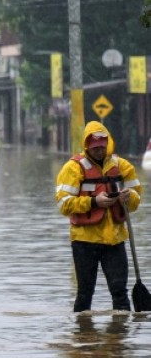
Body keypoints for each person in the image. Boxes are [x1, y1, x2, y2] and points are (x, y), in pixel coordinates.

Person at [55, 121, 141, 312]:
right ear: (87, 146)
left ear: (107, 144)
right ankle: (83, 337)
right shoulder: (72, 168)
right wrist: (94, 202)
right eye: (95, 148)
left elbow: (135, 201)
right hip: (84, 241)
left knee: (120, 293)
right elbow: (63, 204)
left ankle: (119, 338)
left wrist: (129, 197)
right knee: (85, 293)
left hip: (115, 240)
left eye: (102, 147)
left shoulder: (122, 166)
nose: (99, 151)